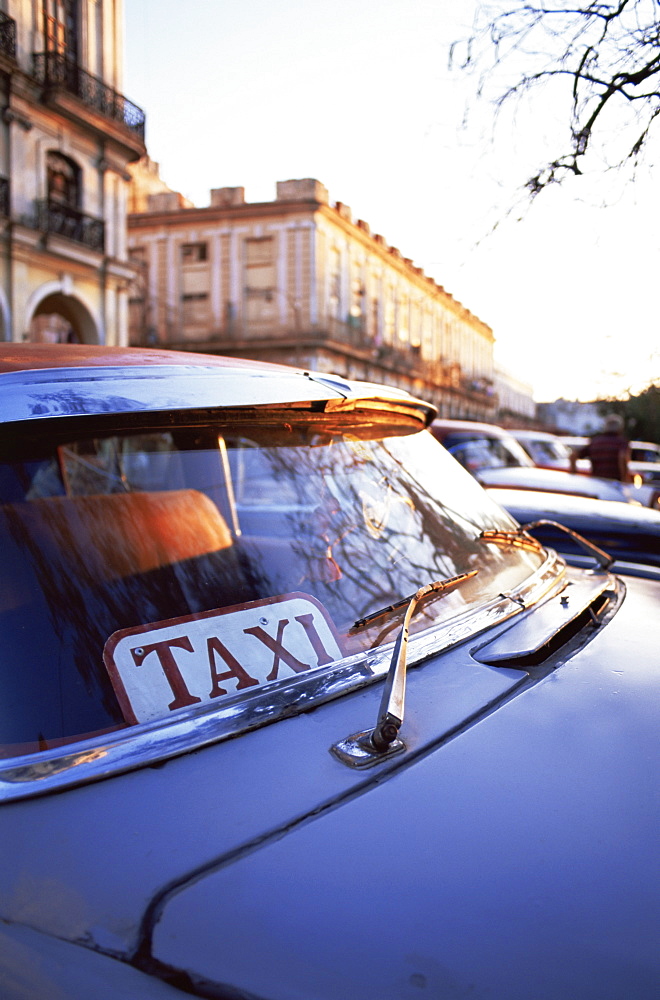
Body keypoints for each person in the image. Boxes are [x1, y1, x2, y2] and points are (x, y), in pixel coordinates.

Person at [569, 414, 631, 482]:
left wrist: (574, 474)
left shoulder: (595, 441)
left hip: (597, 482)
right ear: (620, 428)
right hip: (615, 483)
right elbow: (622, 457)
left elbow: (573, 455)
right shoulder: (621, 442)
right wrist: (625, 478)